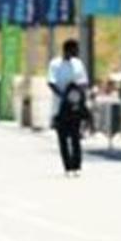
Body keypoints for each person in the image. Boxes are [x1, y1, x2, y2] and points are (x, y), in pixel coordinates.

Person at [48, 38, 90, 176]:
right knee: (63, 138)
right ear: (68, 49)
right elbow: (51, 83)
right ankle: (67, 166)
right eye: (75, 49)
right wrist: (64, 95)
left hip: (75, 106)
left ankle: (76, 165)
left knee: (75, 137)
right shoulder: (55, 64)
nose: (77, 52)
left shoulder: (78, 64)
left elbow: (84, 82)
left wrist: (77, 93)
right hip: (60, 107)